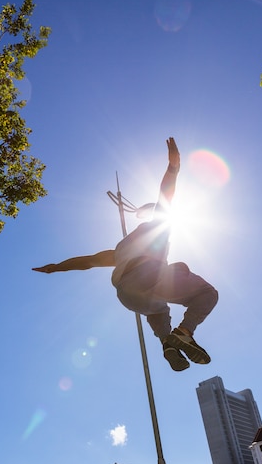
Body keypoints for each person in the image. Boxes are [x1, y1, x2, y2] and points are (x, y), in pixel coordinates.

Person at [33, 138, 218, 371]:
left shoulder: (120, 249)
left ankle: (167, 344)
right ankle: (184, 332)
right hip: (147, 276)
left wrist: (56, 266)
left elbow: (87, 262)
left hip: (126, 295)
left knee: (159, 308)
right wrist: (173, 167)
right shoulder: (158, 226)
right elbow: (165, 196)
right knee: (207, 292)